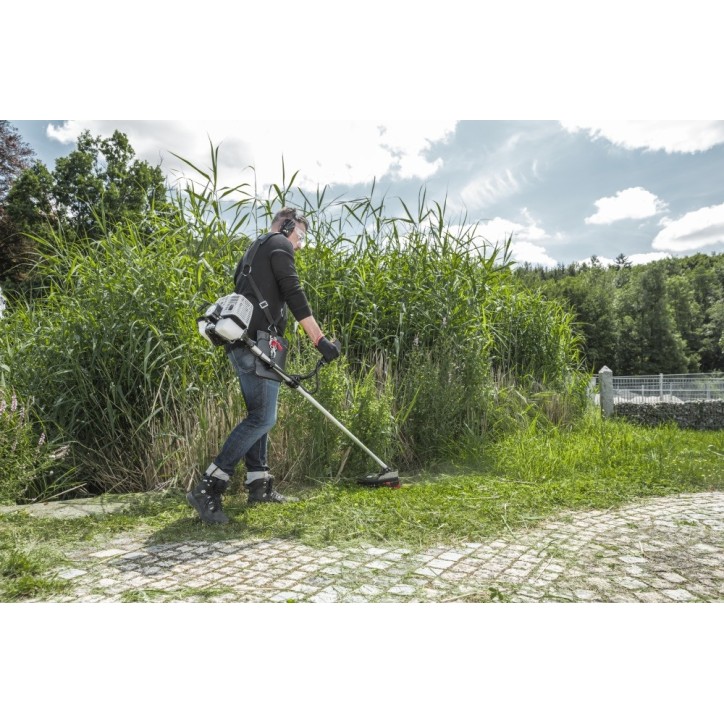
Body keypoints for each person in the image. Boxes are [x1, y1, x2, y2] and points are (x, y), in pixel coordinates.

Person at [187, 208, 340, 524]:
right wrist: (320, 341)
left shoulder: (252, 250)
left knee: (260, 414)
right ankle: (209, 487)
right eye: (300, 237)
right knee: (262, 417)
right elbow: (294, 294)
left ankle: (259, 484)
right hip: (256, 343)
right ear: (287, 226)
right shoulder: (279, 244)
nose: (299, 245)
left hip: (246, 342)